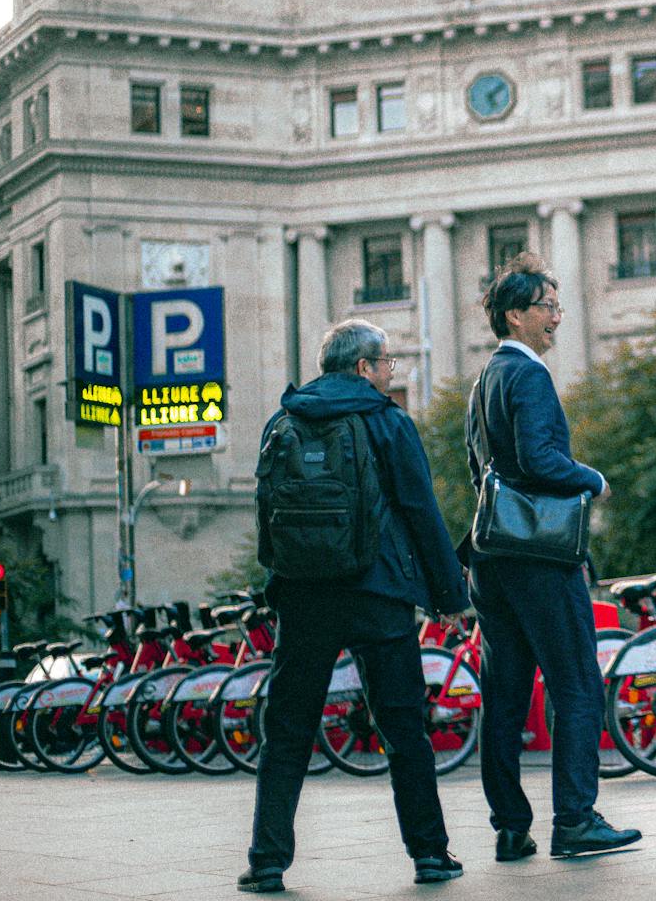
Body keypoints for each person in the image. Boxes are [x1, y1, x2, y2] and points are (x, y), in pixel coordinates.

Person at [242, 319, 471, 894]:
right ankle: (429, 856)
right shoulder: (388, 422)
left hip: (304, 597)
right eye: (387, 363)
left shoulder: (283, 421)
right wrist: (450, 596)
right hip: (379, 594)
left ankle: (267, 860)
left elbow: (267, 512)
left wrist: (278, 587)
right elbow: (421, 510)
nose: (391, 372)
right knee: (403, 730)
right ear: (365, 368)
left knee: (288, 729)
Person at [465, 253, 639, 863]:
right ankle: (576, 819)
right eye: (547, 307)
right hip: (540, 557)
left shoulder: (484, 379)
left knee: (506, 695)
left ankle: (511, 827)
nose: (556, 319)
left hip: (493, 558)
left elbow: (480, 469)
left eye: (557, 307)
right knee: (576, 682)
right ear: (515, 315)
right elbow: (541, 460)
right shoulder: (529, 374)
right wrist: (590, 478)